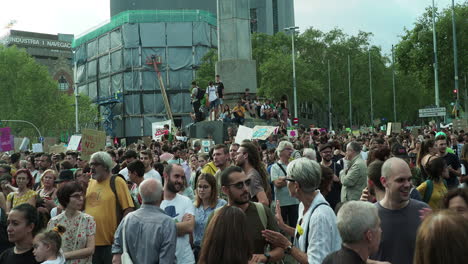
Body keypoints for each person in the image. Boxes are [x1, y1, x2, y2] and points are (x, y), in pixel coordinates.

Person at [262, 158, 341, 264]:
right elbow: (304, 233)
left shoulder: (319, 217)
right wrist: (284, 227)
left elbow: (316, 262)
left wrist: (287, 245)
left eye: (287, 180)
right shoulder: (303, 206)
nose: (286, 183)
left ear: (296, 185)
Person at [369, 157, 429, 264]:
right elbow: (354, 257)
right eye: (400, 180)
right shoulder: (369, 215)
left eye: (409, 179)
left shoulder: (423, 211)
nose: (407, 185)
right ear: (384, 181)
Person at [219, 166, 284, 263]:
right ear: (225, 190)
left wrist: (263, 257)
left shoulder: (262, 211)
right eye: (239, 185)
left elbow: (280, 250)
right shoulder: (217, 217)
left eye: (247, 183)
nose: (246, 189)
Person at [85, 152, 134, 264]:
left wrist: (120, 236)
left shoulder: (117, 181)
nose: (91, 167)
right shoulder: (89, 183)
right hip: (90, 244)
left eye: (95, 164)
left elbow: (128, 209)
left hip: (111, 244)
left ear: (106, 166)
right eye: (91, 164)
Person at [112, 179, 177, 264]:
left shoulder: (127, 220)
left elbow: (116, 259)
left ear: (139, 197)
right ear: (162, 196)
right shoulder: (167, 223)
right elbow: (167, 260)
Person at [48, 181, 95, 264]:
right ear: (65, 198)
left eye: (81, 195)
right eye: (76, 196)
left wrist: (65, 255)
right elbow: (51, 247)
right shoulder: (56, 222)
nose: (81, 198)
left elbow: (90, 249)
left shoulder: (88, 220)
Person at [160, 164, 195, 264]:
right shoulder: (155, 201)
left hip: (186, 260)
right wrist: (180, 226)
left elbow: (189, 227)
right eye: (176, 176)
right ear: (166, 176)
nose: (180, 181)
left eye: (182, 177)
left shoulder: (186, 201)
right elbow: (152, 231)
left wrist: (162, 228)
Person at [193, 173, 227, 260]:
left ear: (212, 189)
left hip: (214, 250)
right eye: (199, 186)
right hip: (196, 249)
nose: (201, 190)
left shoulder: (221, 204)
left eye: (205, 187)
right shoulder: (193, 206)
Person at [270, 141, 299, 229]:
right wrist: (291, 179)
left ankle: (296, 242)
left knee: (296, 227)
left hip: (295, 201)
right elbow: (277, 183)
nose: (291, 151)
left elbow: (299, 179)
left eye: (292, 149)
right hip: (281, 203)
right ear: (281, 151)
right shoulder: (275, 167)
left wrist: (284, 179)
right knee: (280, 227)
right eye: (288, 149)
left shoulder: (295, 164)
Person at [235, 142, 270, 206]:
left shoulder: (252, 176)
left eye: (238, 154)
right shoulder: (248, 174)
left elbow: (264, 201)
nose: (235, 157)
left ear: (245, 155)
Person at [319, 143, 343, 210]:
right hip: (322, 201)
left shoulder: (338, 166)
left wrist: (338, 180)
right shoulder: (317, 167)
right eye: (325, 152)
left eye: (330, 152)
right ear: (320, 154)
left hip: (336, 201)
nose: (328, 153)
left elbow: (344, 185)